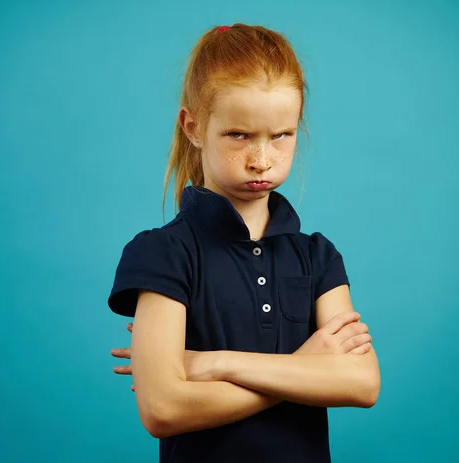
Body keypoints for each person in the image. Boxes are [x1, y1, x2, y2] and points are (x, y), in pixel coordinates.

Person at [108, 23, 380, 463]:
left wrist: (214, 364)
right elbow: (162, 409)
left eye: (281, 136)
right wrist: (305, 367)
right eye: (239, 135)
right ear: (193, 127)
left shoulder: (318, 256)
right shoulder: (162, 253)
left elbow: (362, 385)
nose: (261, 159)